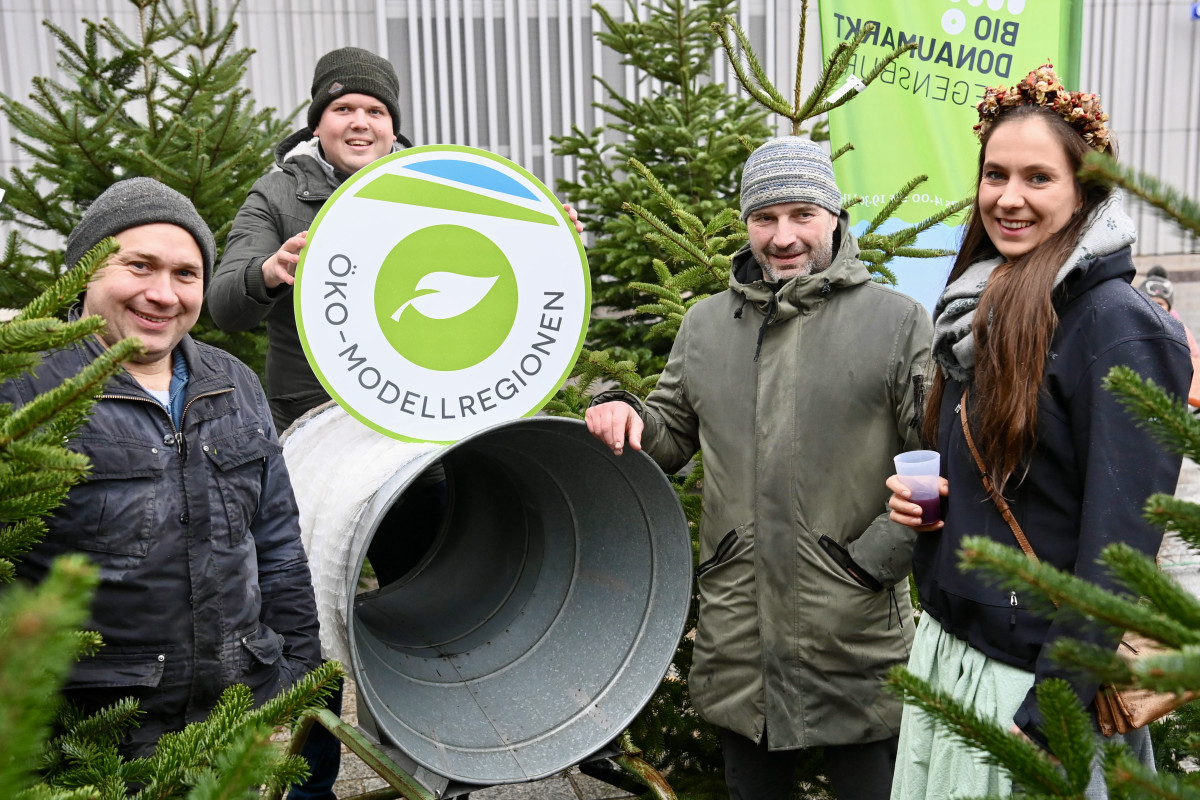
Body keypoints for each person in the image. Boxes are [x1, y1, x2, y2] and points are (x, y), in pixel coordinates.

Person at [586, 137, 933, 800]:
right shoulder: (706, 326)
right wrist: (623, 414)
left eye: (802, 214)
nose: (783, 237)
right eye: (765, 218)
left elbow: (939, 459)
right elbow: (668, 436)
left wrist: (876, 559)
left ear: (834, 215)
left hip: (853, 628)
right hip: (741, 632)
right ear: (746, 223)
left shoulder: (897, 323)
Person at [886, 65, 1192, 798]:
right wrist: (934, 514)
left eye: (1037, 177)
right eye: (995, 174)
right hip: (958, 657)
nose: (1008, 198)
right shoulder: (976, 305)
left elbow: (1120, 550)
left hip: (1041, 688)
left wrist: (1052, 708)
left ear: (1084, 191)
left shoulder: (1116, 327)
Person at [9, 178, 322, 759]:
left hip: (234, 714)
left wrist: (298, 666)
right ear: (84, 273)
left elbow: (276, 545)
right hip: (89, 736)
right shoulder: (25, 392)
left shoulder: (235, 385)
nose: (163, 293)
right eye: (140, 267)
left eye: (186, 274)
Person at [1139, 265, 1200, 407]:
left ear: (1169, 307)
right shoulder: (1135, 327)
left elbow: (1194, 358)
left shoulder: (1180, 330)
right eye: (1150, 302)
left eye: (1160, 304)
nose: (1155, 307)